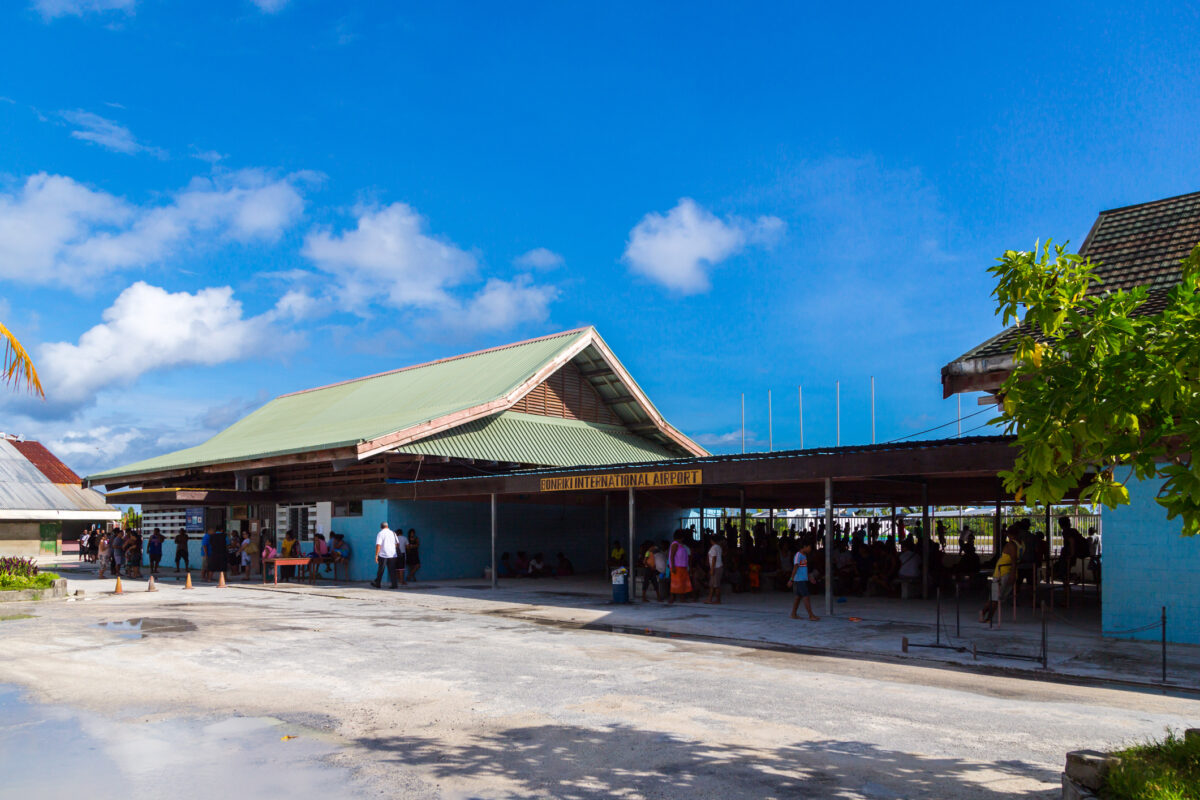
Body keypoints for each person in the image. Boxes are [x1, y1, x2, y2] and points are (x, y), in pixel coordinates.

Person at [980, 536, 1021, 623]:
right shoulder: (1014, 545)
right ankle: (986, 616)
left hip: (1007, 572)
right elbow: (1014, 560)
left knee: (997, 598)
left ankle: (985, 614)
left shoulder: (1016, 545)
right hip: (1001, 573)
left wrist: (1013, 574)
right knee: (995, 598)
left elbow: (1015, 560)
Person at [789, 539, 819, 621]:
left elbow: (803, 569)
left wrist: (809, 577)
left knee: (798, 597)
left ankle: (793, 614)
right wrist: (791, 579)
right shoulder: (798, 555)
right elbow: (795, 568)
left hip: (802, 579)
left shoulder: (804, 556)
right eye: (809, 547)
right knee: (806, 597)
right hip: (799, 580)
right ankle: (811, 615)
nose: (810, 549)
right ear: (805, 547)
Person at [667, 531, 692, 604]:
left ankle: (682, 598)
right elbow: (672, 556)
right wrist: (673, 566)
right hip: (677, 566)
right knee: (675, 583)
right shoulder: (675, 544)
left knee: (682, 582)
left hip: (682, 566)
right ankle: (672, 598)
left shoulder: (680, 545)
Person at [372, 522, 399, 589]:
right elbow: (397, 544)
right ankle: (394, 585)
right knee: (392, 570)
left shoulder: (380, 533)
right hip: (392, 555)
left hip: (383, 555)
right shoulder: (393, 533)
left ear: (381, 527)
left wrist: (376, 555)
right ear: (387, 526)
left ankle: (378, 584)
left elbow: (378, 545)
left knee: (381, 570)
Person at [705, 535, 724, 604]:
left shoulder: (713, 548)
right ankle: (709, 599)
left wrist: (712, 569)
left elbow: (714, 558)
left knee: (716, 585)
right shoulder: (719, 547)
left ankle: (718, 600)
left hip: (716, 567)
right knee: (712, 585)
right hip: (719, 567)